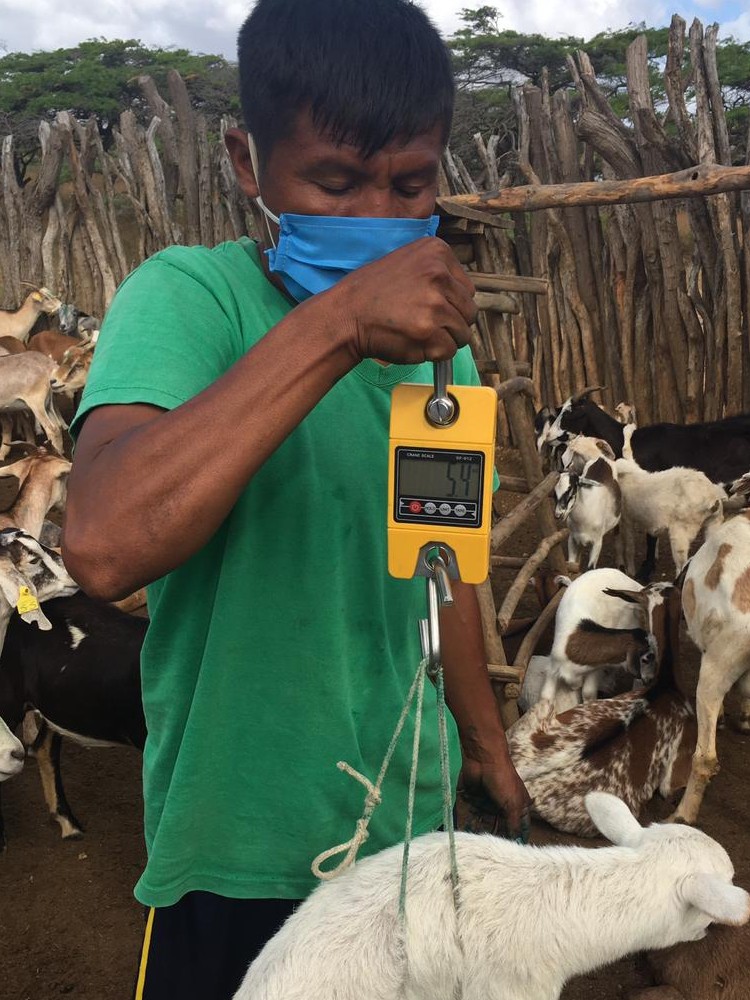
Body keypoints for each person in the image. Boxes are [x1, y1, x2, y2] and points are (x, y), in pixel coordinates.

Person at [62, 1, 531, 998]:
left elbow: (438, 566)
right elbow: (102, 545)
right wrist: (337, 327)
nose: (378, 219)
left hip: (407, 845)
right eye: (334, 181)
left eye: (410, 185)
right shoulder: (192, 301)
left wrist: (487, 750)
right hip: (233, 863)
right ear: (247, 163)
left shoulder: (447, 362)